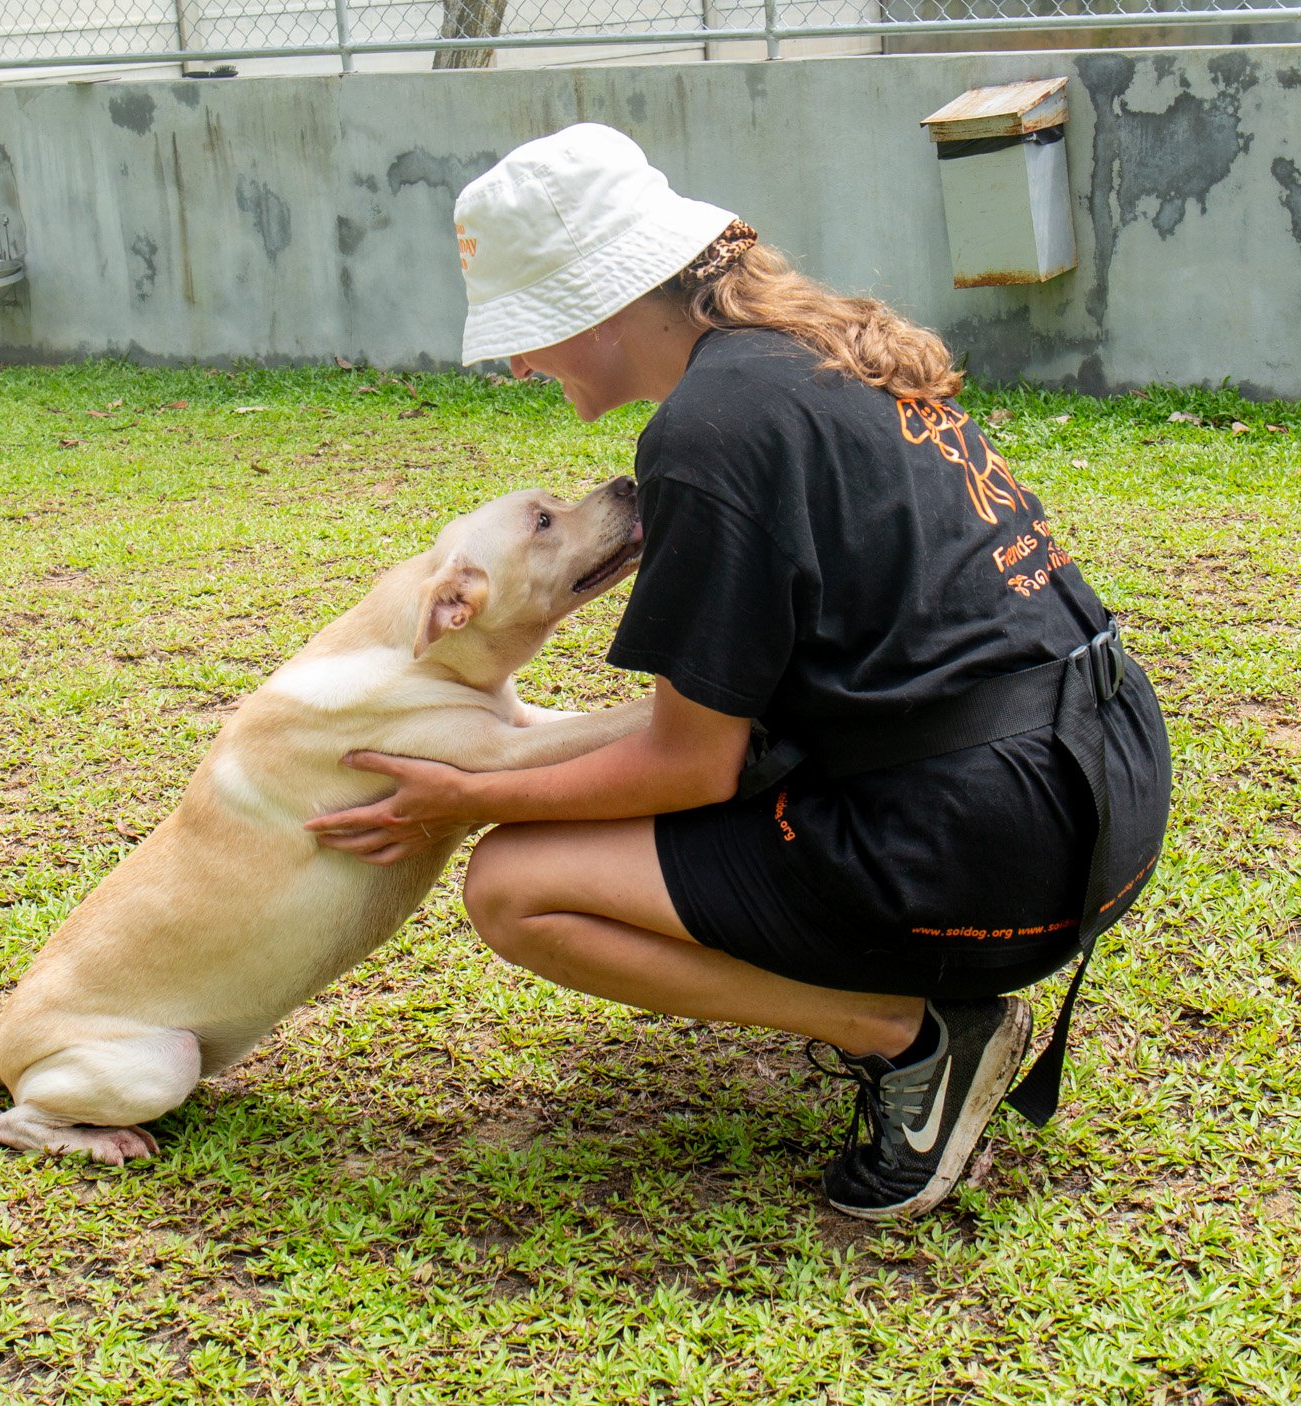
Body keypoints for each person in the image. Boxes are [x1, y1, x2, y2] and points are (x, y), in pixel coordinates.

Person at [307, 123, 1171, 1220]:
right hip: (1100, 780)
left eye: (529, 329)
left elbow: (689, 763)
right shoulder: (810, 350)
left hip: (989, 843)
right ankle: (911, 988)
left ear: (603, 301)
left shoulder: (708, 432)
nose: (521, 362)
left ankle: (915, 1032)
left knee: (515, 886)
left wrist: (464, 797)